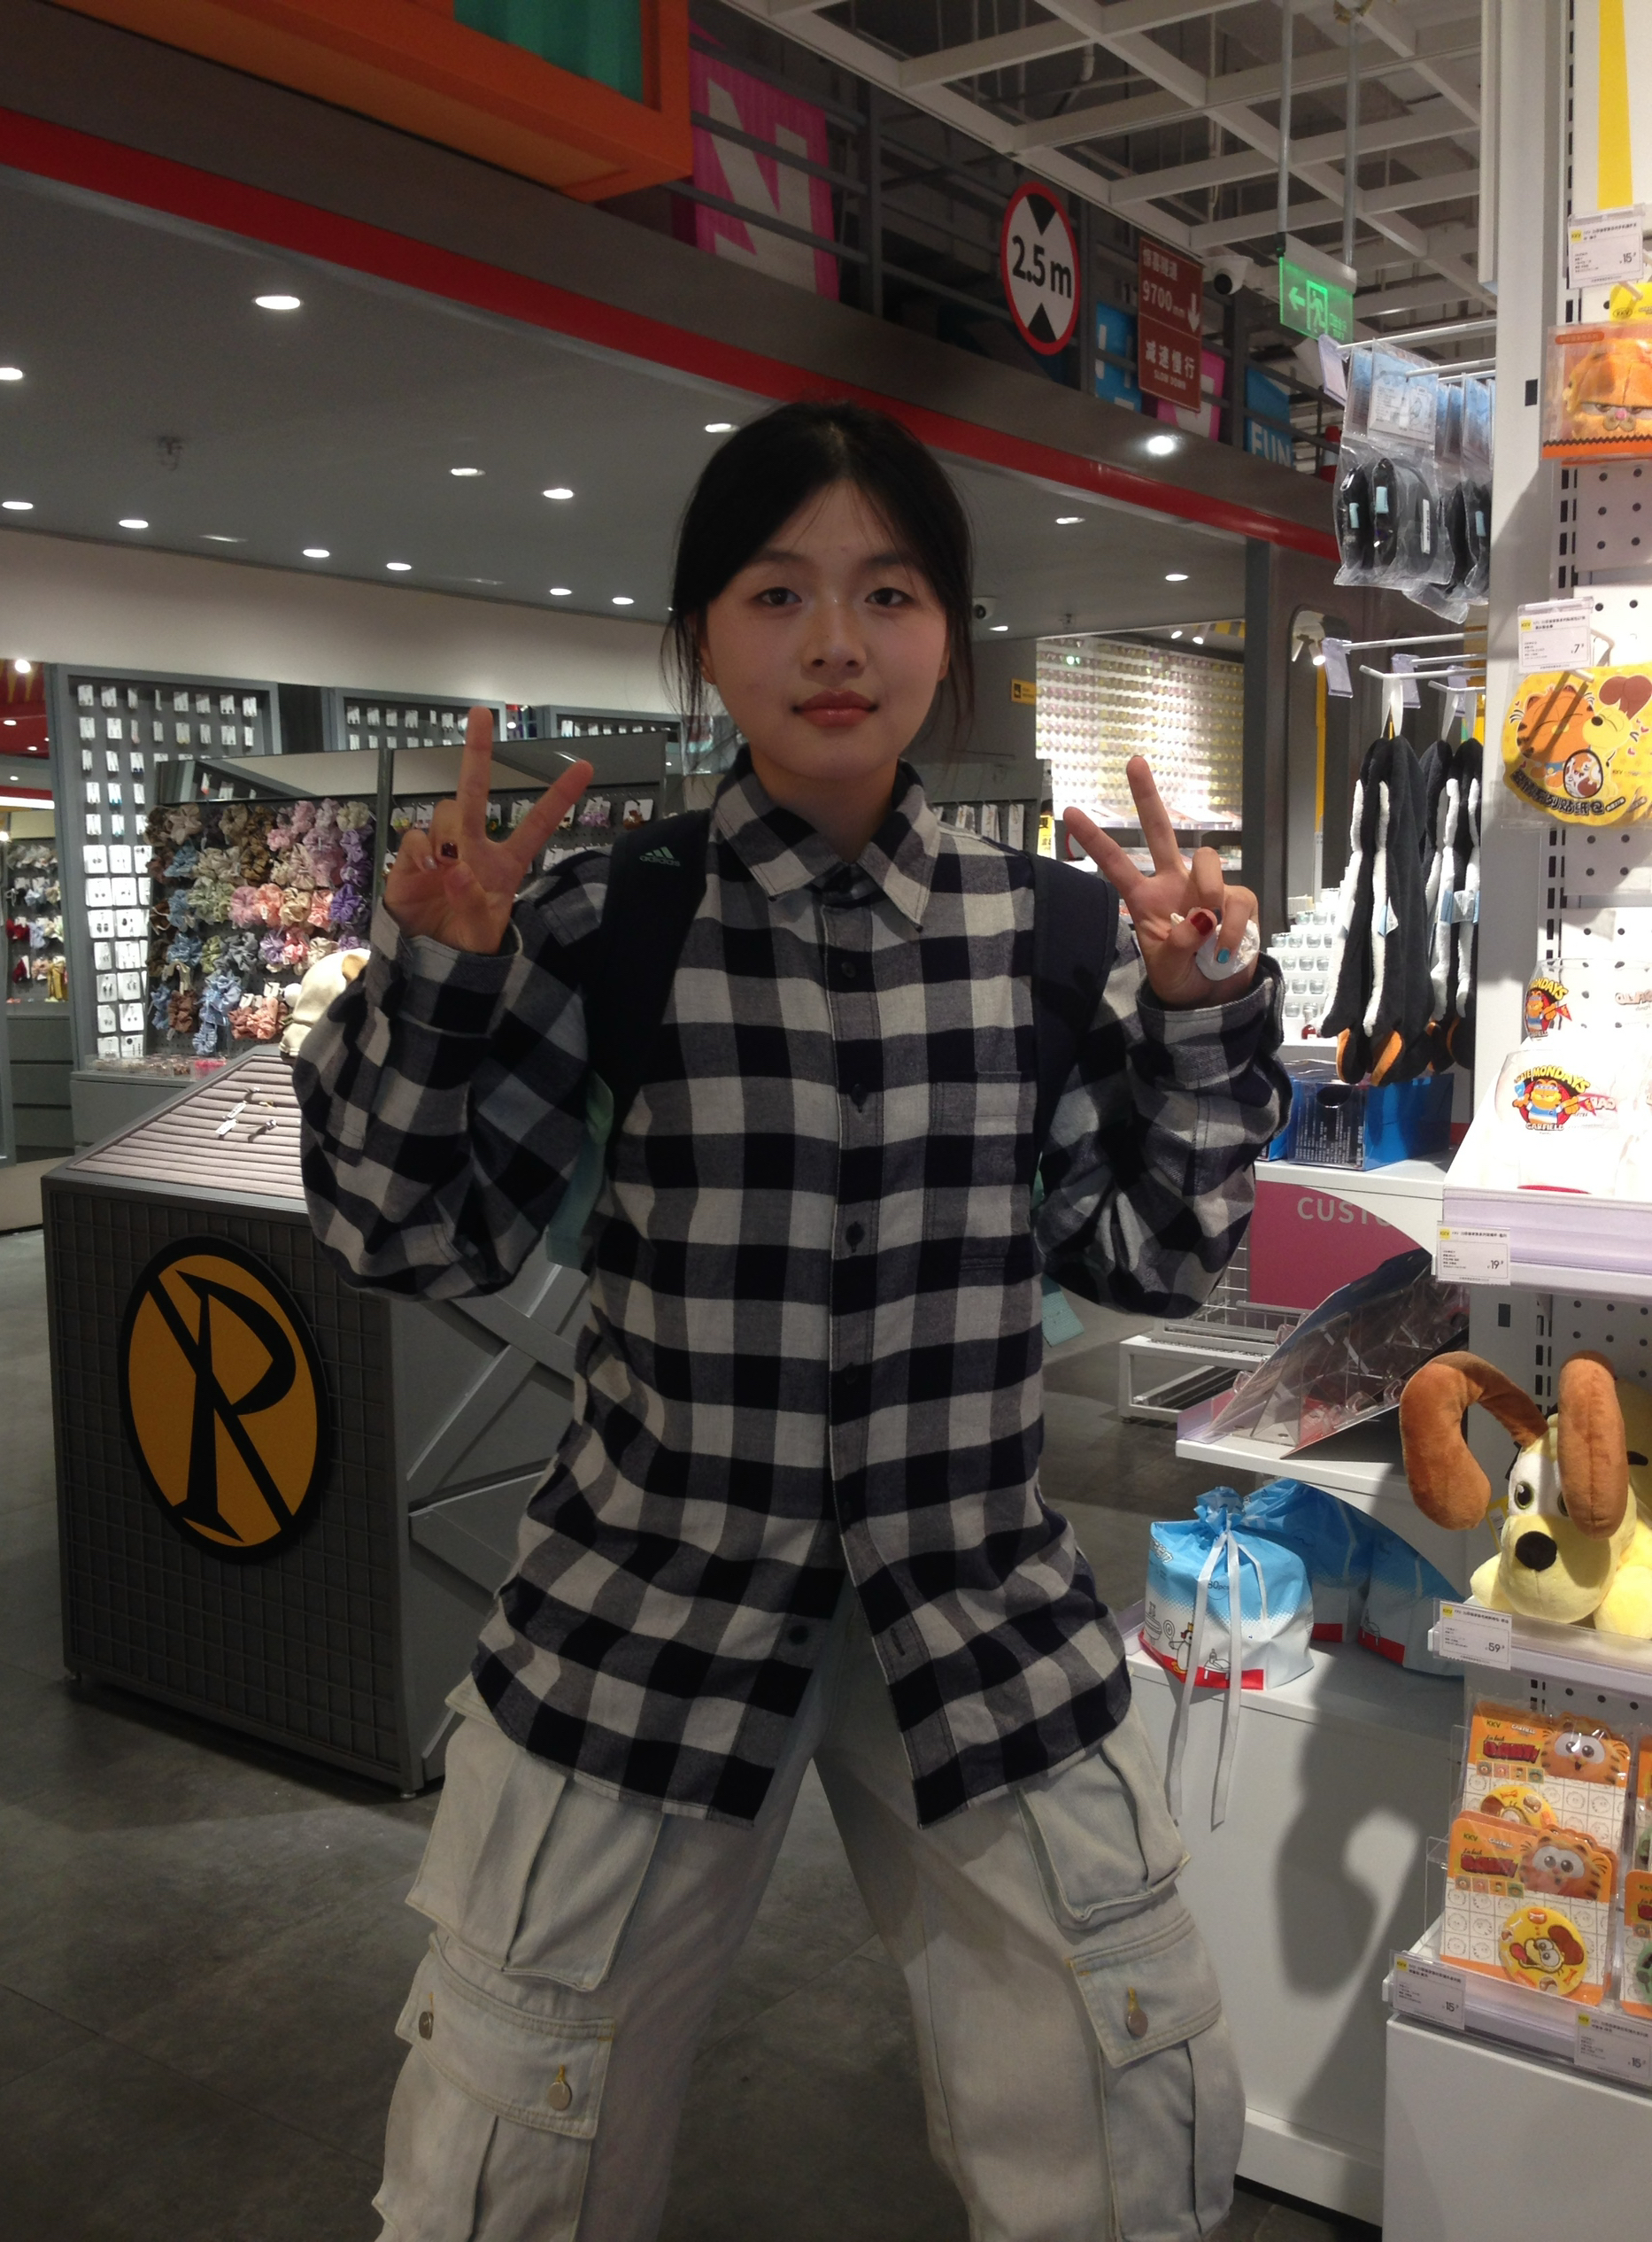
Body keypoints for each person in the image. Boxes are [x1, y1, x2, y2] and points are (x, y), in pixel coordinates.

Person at [294, 400, 1288, 2242]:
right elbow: (406, 1232)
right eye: (777, 593)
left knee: (1120, 2132)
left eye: (887, 593)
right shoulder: (610, 924)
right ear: (701, 634)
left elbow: (1155, 1263)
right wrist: (434, 982)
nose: (837, 642)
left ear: (950, 635)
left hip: (973, 1598)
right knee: (513, 2162)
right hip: (649, 1604)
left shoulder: (1048, 934)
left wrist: (1200, 1015)